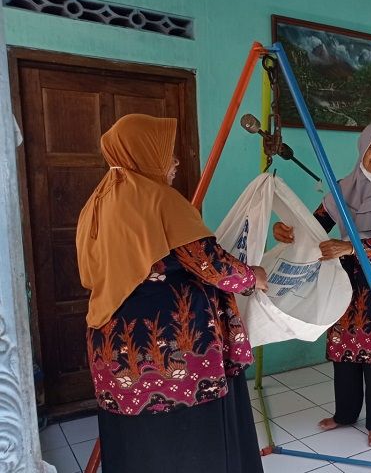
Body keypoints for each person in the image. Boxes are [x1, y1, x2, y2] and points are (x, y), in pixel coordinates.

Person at [76, 114, 267, 473]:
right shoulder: (159, 199)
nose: (175, 162)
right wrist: (253, 277)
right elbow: (210, 264)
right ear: (143, 152)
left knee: (140, 437)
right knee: (184, 437)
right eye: (167, 153)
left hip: (114, 342)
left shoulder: (98, 201)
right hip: (166, 344)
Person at [272, 123, 371, 448]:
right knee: (345, 347)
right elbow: (314, 226)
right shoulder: (342, 188)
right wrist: (288, 230)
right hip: (346, 278)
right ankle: (345, 414)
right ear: (363, 149)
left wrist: (349, 246)